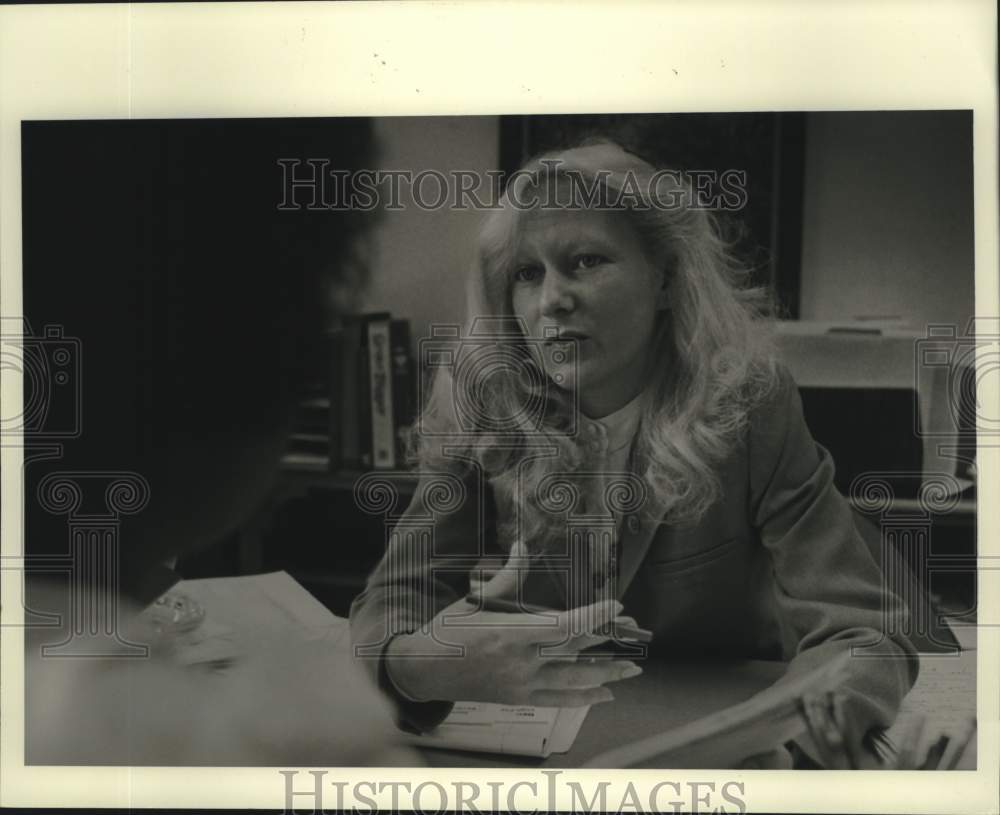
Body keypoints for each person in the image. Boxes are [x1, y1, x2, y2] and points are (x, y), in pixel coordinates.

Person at [349, 139, 919, 768]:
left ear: (667, 279)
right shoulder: (481, 392)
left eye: (586, 261)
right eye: (526, 273)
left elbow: (864, 632)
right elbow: (395, 597)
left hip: (716, 733)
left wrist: (790, 745)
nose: (551, 300)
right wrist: (418, 667)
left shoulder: (749, 402)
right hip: (532, 751)